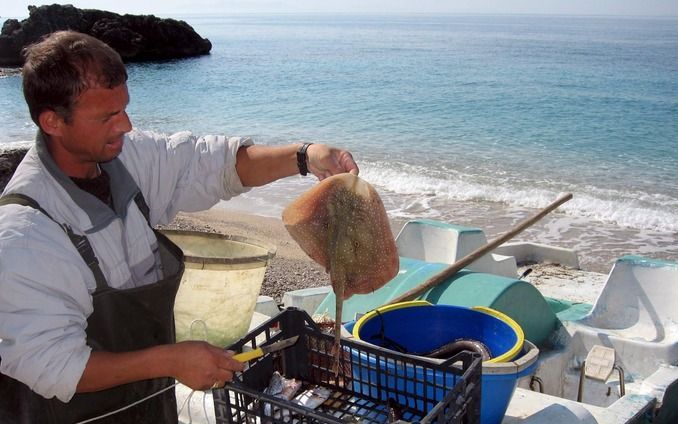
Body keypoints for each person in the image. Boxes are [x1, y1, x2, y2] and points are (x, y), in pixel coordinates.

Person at [0, 30, 358, 423]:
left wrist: (305, 156)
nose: (126, 125)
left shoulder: (127, 157)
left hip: (149, 402)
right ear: (52, 121)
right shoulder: (25, 232)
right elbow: (53, 366)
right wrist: (171, 359)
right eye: (107, 116)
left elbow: (214, 163)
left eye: (124, 108)